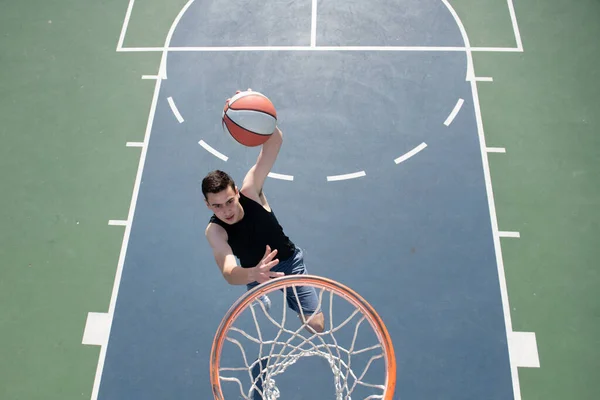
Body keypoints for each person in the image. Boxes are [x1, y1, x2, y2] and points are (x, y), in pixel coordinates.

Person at [202, 108, 325, 335]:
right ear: (207, 205)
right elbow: (229, 272)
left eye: (229, 201)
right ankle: (259, 289)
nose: (225, 211)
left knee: (316, 326)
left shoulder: (251, 190)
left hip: (288, 262)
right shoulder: (215, 231)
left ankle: (292, 295)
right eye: (217, 206)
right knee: (253, 284)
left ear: (237, 192)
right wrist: (254, 274)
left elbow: (274, 142)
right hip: (253, 271)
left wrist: (255, 113)